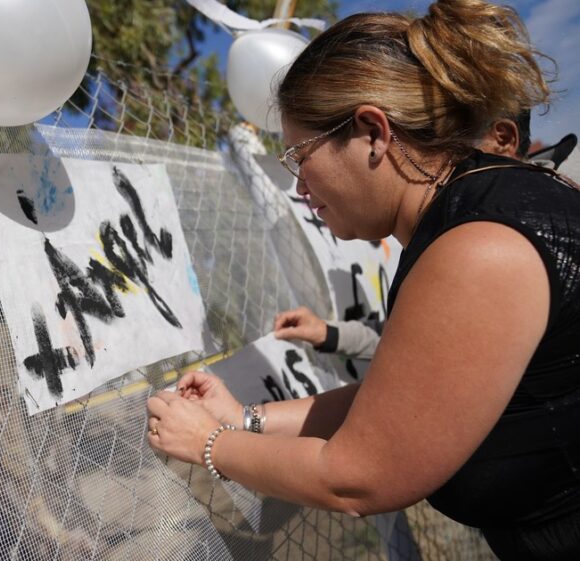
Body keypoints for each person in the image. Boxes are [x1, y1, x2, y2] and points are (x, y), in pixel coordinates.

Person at [145, 2, 580, 559]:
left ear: (373, 132)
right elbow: (402, 400)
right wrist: (245, 419)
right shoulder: (480, 209)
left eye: (299, 156)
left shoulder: (478, 246)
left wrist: (209, 443)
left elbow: (358, 477)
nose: (299, 186)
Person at [274, 110, 537, 360]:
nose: (433, 148)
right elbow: (413, 339)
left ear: (503, 139)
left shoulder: (489, 239)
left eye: (457, 138)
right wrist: (329, 333)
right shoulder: (448, 225)